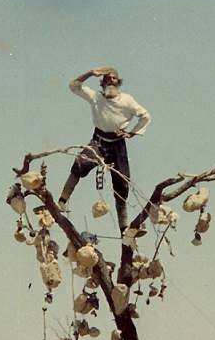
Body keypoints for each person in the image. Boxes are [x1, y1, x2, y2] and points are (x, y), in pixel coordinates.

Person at [58, 67, 151, 234]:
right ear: (102, 83)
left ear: (118, 82)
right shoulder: (95, 97)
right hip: (99, 141)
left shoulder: (127, 100)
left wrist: (132, 133)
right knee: (79, 164)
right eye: (107, 78)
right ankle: (62, 201)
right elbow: (73, 86)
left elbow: (145, 116)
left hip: (117, 145)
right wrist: (90, 73)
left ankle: (124, 228)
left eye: (114, 78)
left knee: (122, 183)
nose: (110, 81)